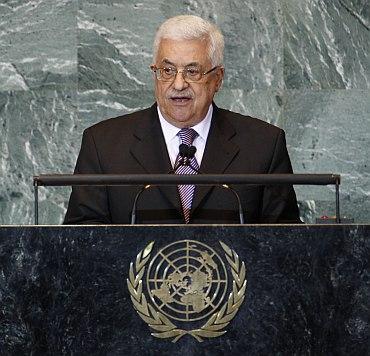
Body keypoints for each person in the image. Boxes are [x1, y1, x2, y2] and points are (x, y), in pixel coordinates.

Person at [64, 15, 300, 225]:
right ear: (155, 74)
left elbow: (286, 244)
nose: (178, 84)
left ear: (217, 79)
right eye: (167, 71)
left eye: (192, 71)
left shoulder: (264, 145)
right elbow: (81, 243)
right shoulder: (103, 145)